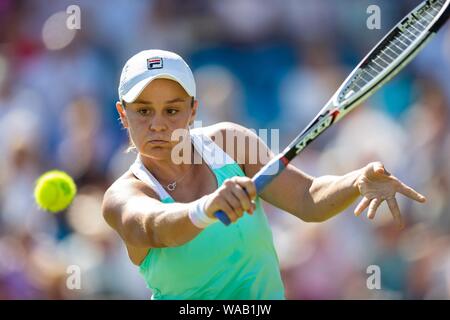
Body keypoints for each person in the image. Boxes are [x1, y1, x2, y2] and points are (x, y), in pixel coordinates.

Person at [102, 49, 427, 300]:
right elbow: (155, 227)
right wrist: (206, 208)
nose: (158, 124)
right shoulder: (122, 196)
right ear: (123, 114)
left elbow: (307, 198)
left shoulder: (230, 142)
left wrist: (355, 181)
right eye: (143, 111)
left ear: (193, 111)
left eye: (172, 110)